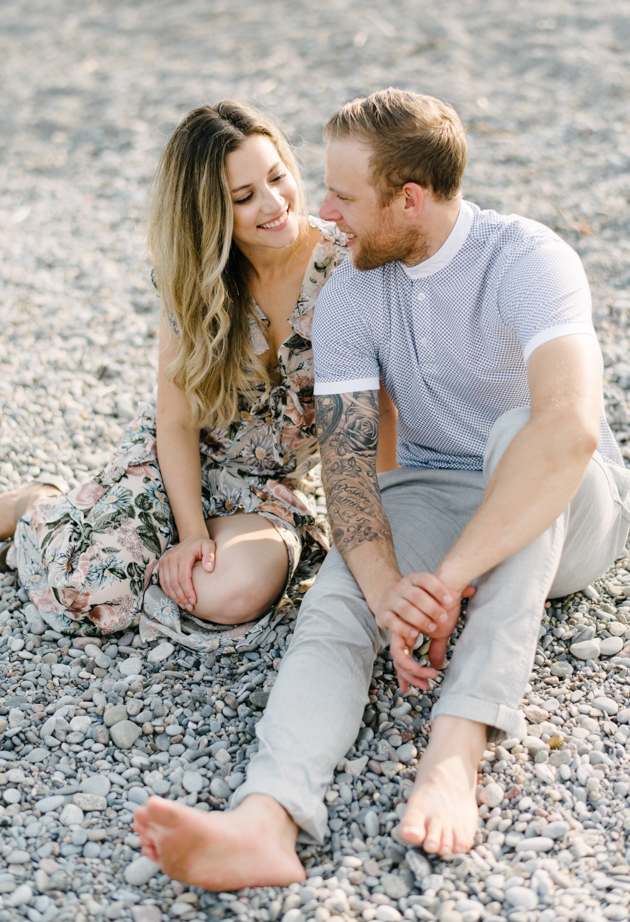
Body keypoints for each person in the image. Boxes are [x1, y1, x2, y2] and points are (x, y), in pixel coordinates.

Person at [133, 88, 630, 890]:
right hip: (435, 487)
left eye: (343, 196)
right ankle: (268, 814)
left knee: (521, 438)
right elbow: (350, 471)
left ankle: (456, 748)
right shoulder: (352, 295)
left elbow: (568, 431)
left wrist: (447, 578)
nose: (323, 212)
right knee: (340, 604)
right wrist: (391, 587)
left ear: (409, 199)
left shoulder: (528, 260)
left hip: (577, 510)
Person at [0, 100, 398, 635]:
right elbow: (178, 420)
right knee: (96, 590)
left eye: (278, 177)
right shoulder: (192, 280)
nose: (275, 202)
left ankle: (120, 534)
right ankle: (38, 504)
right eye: (244, 197)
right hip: (181, 462)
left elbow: (382, 412)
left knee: (230, 594)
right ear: (209, 211)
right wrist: (192, 534)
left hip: (268, 489)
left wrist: (389, 532)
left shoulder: (346, 265)